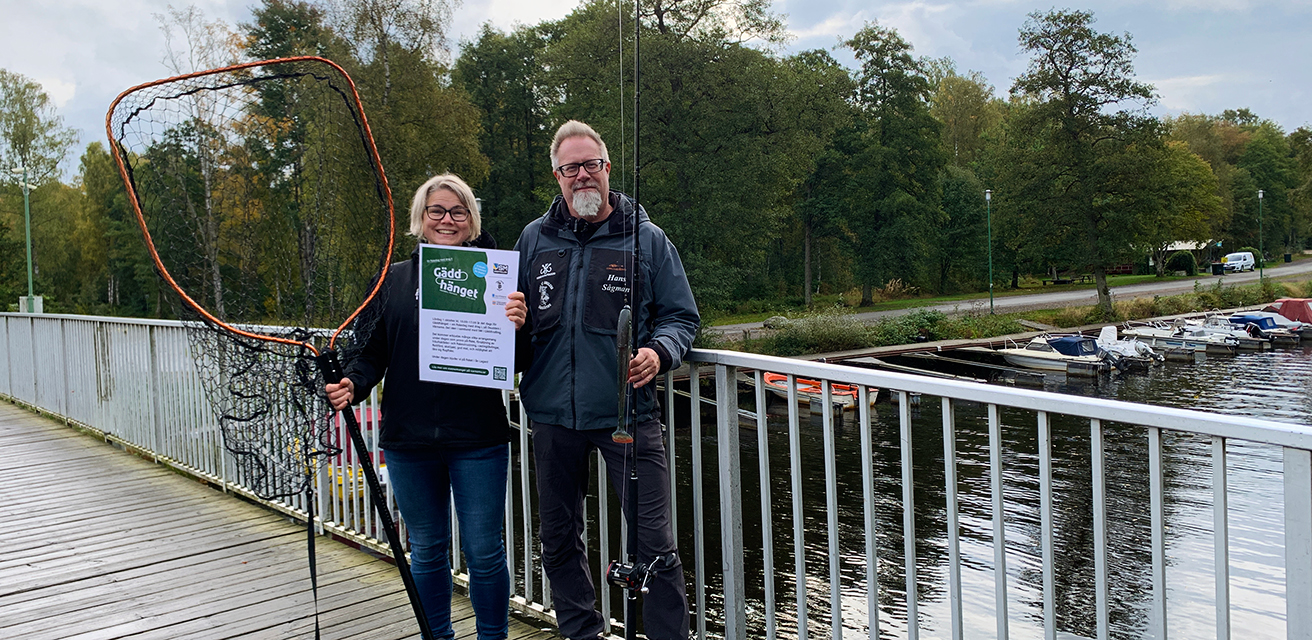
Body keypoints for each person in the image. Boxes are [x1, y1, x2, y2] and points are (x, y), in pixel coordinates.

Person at [513, 120, 698, 640]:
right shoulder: (533, 239)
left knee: (654, 545)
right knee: (557, 540)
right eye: (570, 168)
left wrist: (658, 353)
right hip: (551, 414)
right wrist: (511, 320)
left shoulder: (647, 238)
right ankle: (582, 633)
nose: (582, 176)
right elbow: (514, 324)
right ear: (557, 176)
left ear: (607, 169)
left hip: (629, 414)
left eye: (590, 164)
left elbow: (681, 317)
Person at [325, 173, 527, 640]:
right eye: (436, 210)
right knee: (428, 550)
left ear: (472, 221)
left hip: (478, 439)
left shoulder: (497, 279)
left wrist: (518, 326)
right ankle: (436, 636)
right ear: (420, 219)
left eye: (457, 212)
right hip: (408, 441)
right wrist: (352, 383)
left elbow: (518, 363)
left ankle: (492, 637)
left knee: (484, 552)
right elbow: (369, 350)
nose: (446, 220)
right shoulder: (392, 280)